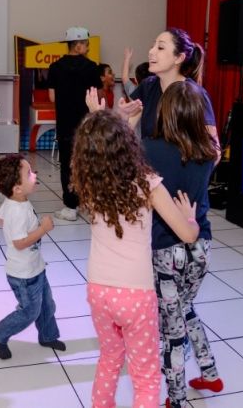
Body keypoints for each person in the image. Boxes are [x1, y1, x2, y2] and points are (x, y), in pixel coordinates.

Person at [70, 110, 198, 408]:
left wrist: (106, 118)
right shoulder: (147, 183)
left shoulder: (90, 183)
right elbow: (188, 235)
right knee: (145, 376)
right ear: (129, 144)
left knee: (110, 359)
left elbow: (103, 150)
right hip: (135, 296)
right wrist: (190, 218)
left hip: (99, 291)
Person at [143, 82, 223, 407]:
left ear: (165, 112)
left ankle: (175, 399)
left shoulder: (149, 149)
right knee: (186, 308)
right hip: (201, 245)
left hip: (167, 251)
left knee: (171, 329)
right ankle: (210, 372)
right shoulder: (209, 153)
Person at [0, 155, 65, 360]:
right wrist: (43, 229)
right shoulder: (17, 211)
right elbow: (20, 243)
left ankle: (48, 336)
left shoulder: (15, 201)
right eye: (29, 173)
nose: (34, 174)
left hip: (35, 267)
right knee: (29, 311)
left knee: (47, 305)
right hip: (23, 275)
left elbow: (0, 218)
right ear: (17, 188)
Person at [122, 29, 220, 163]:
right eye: (152, 46)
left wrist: (192, 180)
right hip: (149, 177)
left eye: (160, 47)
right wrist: (122, 117)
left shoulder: (195, 94)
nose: (151, 52)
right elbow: (127, 131)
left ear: (179, 58)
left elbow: (215, 151)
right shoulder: (147, 86)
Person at [47, 26, 101, 222]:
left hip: (65, 125)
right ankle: (90, 202)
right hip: (87, 125)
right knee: (88, 163)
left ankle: (70, 207)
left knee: (67, 165)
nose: (86, 48)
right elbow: (98, 96)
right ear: (79, 45)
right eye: (86, 44)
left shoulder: (55, 67)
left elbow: (52, 97)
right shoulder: (92, 67)